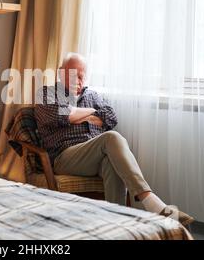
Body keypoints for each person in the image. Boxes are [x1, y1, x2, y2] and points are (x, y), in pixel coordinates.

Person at [34, 53, 194, 226]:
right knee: (111, 138)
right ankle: (152, 202)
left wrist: (82, 113)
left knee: (111, 162)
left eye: (82, 76)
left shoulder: (92, 96)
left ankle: (115, 226)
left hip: (95, 155)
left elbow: (110, 117)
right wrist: (91, 113)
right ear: (60, 73)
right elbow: (65, 115)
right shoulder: (46, 93)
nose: (78, 81)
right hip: (64, 157)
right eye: (73, 75)